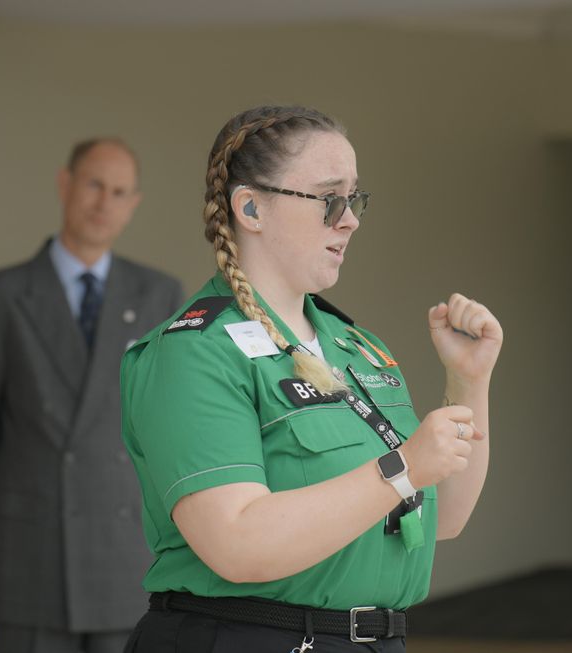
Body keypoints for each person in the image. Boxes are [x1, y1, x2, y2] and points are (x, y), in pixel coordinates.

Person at [119, 106, 503, 652]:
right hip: (249, 638)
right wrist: (402, 466)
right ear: (251, 208)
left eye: (354, 199)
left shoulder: (356, 347)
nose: (350, 220)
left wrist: (468, 380)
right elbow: (237, 543)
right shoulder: (194, 352)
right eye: (329, 199)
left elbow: (444, 519)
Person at [0, 138, 184, 653]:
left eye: (119, 192)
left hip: (126, 554)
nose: (104, 203)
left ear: (133, 204)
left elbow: (170, 423)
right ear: (65, 184)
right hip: (31, 551)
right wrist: (31, 496)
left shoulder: (160, 296)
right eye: (94, 184)